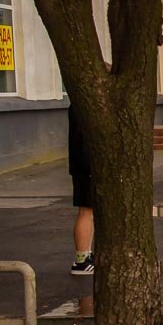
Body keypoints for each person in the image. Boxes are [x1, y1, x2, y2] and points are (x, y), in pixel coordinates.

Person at [68, 104, 94, 275]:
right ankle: (81, 260)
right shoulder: (86, 106)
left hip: (83, 165)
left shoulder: (79, 104)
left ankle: (85, 256)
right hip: (88, 166)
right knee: (86, 211)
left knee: (87, 211)